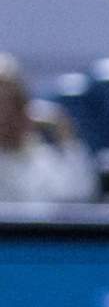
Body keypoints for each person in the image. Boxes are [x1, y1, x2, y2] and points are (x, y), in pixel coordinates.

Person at [0, 54, 95, 204]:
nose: (6, 116)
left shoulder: (42, 159)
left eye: (13, 104)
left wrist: (65, 135)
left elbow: (80, 194)